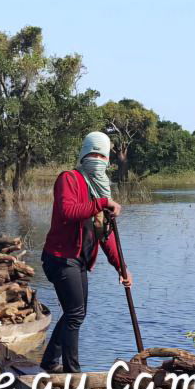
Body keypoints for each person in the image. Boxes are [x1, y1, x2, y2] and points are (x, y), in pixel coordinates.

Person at [40, 131, 132, 374]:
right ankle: (73, 374)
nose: (97, 160)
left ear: (107, 161)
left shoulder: (101, 190)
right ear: (83, 155)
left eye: (102, 156)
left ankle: (49, 363)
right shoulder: (69, 179)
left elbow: (105, 235)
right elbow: (68, 211)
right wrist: (102, 203)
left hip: (79, 261)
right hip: (60, 258)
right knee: (75, 313)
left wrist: (121, 267)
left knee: (75, 314)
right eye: (93, 154)